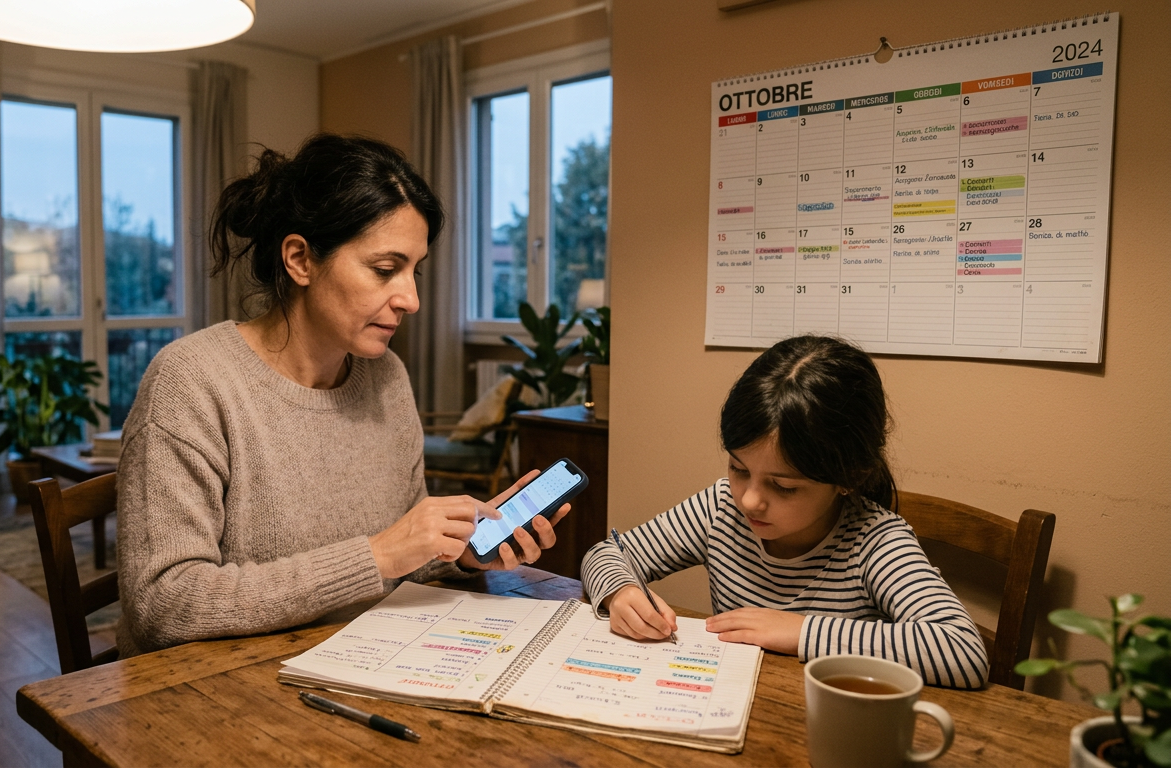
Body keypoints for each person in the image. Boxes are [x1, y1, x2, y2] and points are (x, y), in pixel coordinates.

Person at [115, 134, 567, 657]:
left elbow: (405, 557)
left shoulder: (386, 379)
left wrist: (462, 553)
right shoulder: (191, 382)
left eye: (414, 271)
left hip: (364, 661)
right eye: (384, 270)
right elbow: (162, 605)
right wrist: (375, 557)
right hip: (216, 694)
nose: (412, 299)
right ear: (300, 259)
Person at [582, 336, 989, 689]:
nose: (750, 500)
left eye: (784, 486)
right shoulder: (720, 508)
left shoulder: (875, 541)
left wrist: (801, 631)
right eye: (739, 469)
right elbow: (606, 553)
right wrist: (622, 591)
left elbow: (962, 650)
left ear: (848, 477)